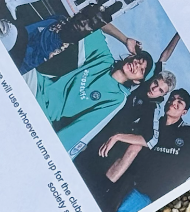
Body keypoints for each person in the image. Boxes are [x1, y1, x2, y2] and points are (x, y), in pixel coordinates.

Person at [73, 45, 179, 212]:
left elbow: (151, 140)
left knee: (88, 179)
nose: (155, 88)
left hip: (110, 144)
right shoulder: (144, 82)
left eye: (161, 90)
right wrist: (179, 35)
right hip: (101, 125)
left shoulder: (153, 108)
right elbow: (163, 57)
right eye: (156, 83)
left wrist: (117, 137)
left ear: (164, 95)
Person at [33, 22, 154, 151]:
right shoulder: (104, 58)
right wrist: (125, 40)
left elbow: (84, 127)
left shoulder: (117, 98)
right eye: (138, 60)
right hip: (37, 83)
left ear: (137, 81)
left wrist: (54, 150)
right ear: (132, 56)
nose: (136, 66)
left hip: (44, 111)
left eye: (141, 70)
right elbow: (93, 22)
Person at [0, 3, 114, 75]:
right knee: (5, 29)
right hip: (10, 51)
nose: (82, 22)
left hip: (19, 72)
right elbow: (24, 33)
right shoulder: (56, 20)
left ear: (92, 32)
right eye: (84, 15)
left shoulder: (72, 56)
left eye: (90, 24)